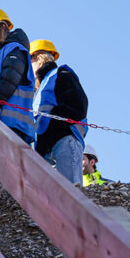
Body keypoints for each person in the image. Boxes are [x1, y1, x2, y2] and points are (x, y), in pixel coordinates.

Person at [29, 39, 88, 185]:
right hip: (47, 150)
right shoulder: (40, 90)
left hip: (65, 140)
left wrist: (57, 128)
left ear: (38, 58)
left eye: (30, 61)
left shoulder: (61, 73)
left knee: (71, 193)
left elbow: (78, 105)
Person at [0, 7, 37, 145]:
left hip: (13, 127)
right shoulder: (0, 54)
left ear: (3, 27)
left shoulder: (15, 50)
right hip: (0, 124)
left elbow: (7, 83)